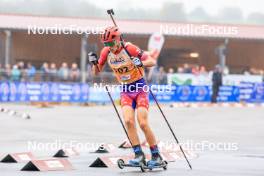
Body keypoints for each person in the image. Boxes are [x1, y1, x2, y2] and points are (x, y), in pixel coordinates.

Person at [88, 26, 163, 167]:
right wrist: (94, 63)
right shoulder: (106, 52)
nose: (108, 46)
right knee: (128, 121)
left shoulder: (130, 49)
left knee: (143, 123)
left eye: (110, 43)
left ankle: (156, 155)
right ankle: (139, 155)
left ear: (118, 39)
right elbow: (96, 72)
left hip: (140, 87)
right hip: (126, 89)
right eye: (105, 44)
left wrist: (141, 62)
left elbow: (152, 61)